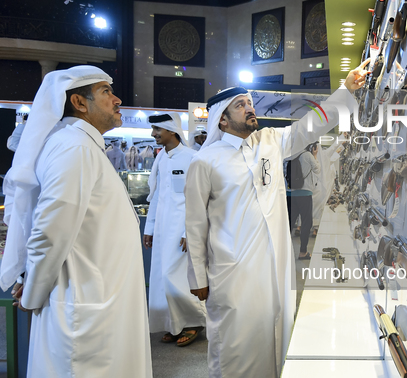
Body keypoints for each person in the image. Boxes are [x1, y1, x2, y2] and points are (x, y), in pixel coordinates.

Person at [184, 60, 369, 378]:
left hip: (273, 267)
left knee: (274, 337)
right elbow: (195, 224)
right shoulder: (204, 162)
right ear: (223, 120)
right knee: (234, 346)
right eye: (240, 106)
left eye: (250, 103)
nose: (249, 108)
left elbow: (310, 126)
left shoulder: (269, 141)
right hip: (233, 272)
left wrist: (346, 89)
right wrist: (197, 278)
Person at [0, 65, 152, 377]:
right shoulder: (73, 146)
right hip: (84, 309)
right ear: (79, 103)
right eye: (106, 92)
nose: (117, 99)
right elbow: (50, 231)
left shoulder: (85, 146)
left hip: (101, 300)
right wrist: (32, 295)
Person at [143, 113, 207, 347]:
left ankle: (194, 322)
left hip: (182, 229)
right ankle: (173, 324)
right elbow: (157, 195)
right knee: (162, 277)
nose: (153, 134)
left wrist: (188, 231)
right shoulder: (162, 158)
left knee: (177, 277)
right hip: (162, 227)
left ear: (172, 130)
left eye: (157, 129)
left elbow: (199, 199)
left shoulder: (192, 158)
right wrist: (150, 227)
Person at [287, 142, 320, 260]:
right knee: (306, 223)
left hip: (290, 193)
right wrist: (315, 155)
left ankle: (282, 252)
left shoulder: (289, 154)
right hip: (304, 193)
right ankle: (303, 252)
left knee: (289, 223)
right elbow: (317, 169)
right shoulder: (307, 155)